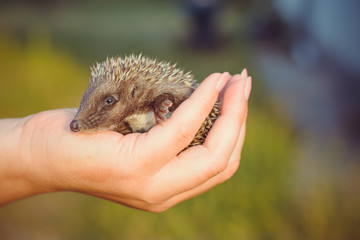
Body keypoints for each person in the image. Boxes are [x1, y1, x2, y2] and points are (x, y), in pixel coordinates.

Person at [0, 70, 251, 212]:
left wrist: (29, 142)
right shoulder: (122, 112)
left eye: (108, 102)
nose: (76, 123)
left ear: (135, 92)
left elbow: (180, 96)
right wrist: (31, 146)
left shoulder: (159, 92)